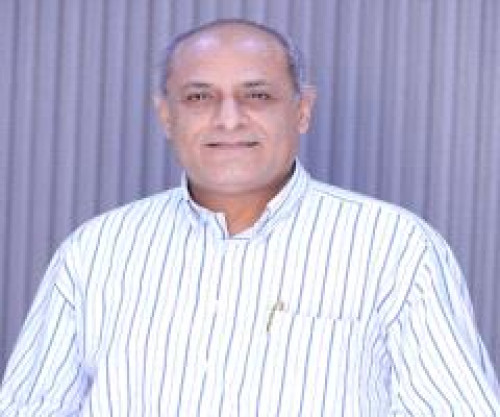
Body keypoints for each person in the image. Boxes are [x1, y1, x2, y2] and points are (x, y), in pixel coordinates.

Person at [0, 18, 499, 416]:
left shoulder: (395, 247)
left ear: (302, 110)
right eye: (199, 97)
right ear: (166, 115)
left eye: (257, 95)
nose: (229, 119)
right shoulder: (95, 251)